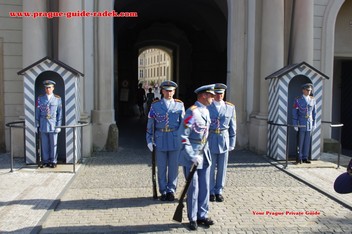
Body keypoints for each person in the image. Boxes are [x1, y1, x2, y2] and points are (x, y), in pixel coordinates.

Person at [178, 84, 215, 231]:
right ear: (203, 96)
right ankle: (192, 217)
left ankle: (202, 215)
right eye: (211, 95)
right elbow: (182, 136)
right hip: (193, 155)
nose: (213, 98)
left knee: (205, 186)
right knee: (193, 188)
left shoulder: (206, 111)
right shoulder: (191, 112)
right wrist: (191, 155)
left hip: (204, 154)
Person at [146, 81, 185, 201]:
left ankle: (171, 190)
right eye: (166, 90)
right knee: (161, 167)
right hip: (160, 138)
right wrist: (149, 139)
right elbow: (150, 124)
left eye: (171, 90)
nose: (169, 93)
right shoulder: (155, 106)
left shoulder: (179, 105)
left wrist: (183, 139)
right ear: (162, 91)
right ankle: (163, 190)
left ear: (174, 91)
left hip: (174, 138)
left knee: (173, 167)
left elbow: (183, 124)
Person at [207, 83, 236, 202]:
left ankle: (219, 190)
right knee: (210, 166)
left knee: (222, 167)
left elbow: (233, 126)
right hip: (211, 138)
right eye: (217, 93)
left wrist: (232, 142)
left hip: (224, 139)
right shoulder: (207, 107)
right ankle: (211, 190)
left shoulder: (230, 107)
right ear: (213, 94)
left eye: (221, 93)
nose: (219, 95)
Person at [35, 80, 62, 168]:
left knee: (53, 144)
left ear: (53, 88)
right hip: (43, 124)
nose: (48, 89)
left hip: (53, 125)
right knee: (44, 144)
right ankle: (45, 160)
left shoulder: (57, 99)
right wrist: (36, 124)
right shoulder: (40, 98)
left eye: (49, 87)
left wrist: (58, 125)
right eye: (46, 87)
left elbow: (60, 113)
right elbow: (37, 112)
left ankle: (53, 161)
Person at [292, 83, 316, 164]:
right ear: (303, 90)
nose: (309, 91)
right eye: (307, 90)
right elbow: (295, 112)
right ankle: (299, 157)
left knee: (307, 141)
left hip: (309, 123)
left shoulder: (312, 99)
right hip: (301, 123)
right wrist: (295, 124)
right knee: (300, 141)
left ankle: (305, 157)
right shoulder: (298, 99)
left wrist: (314, 123)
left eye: (310, 90)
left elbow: (314, 113)